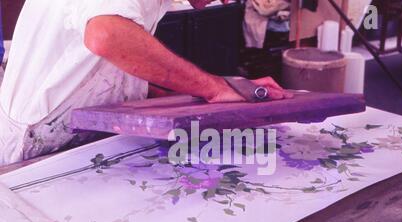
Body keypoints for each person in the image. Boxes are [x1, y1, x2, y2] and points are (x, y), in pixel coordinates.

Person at [0, 0, 290, 166]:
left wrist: (214, 92)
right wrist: (213, 88)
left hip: (80, 141)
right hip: (32, 151)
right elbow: (106, 36)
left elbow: (109, 71)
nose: (227, 1)